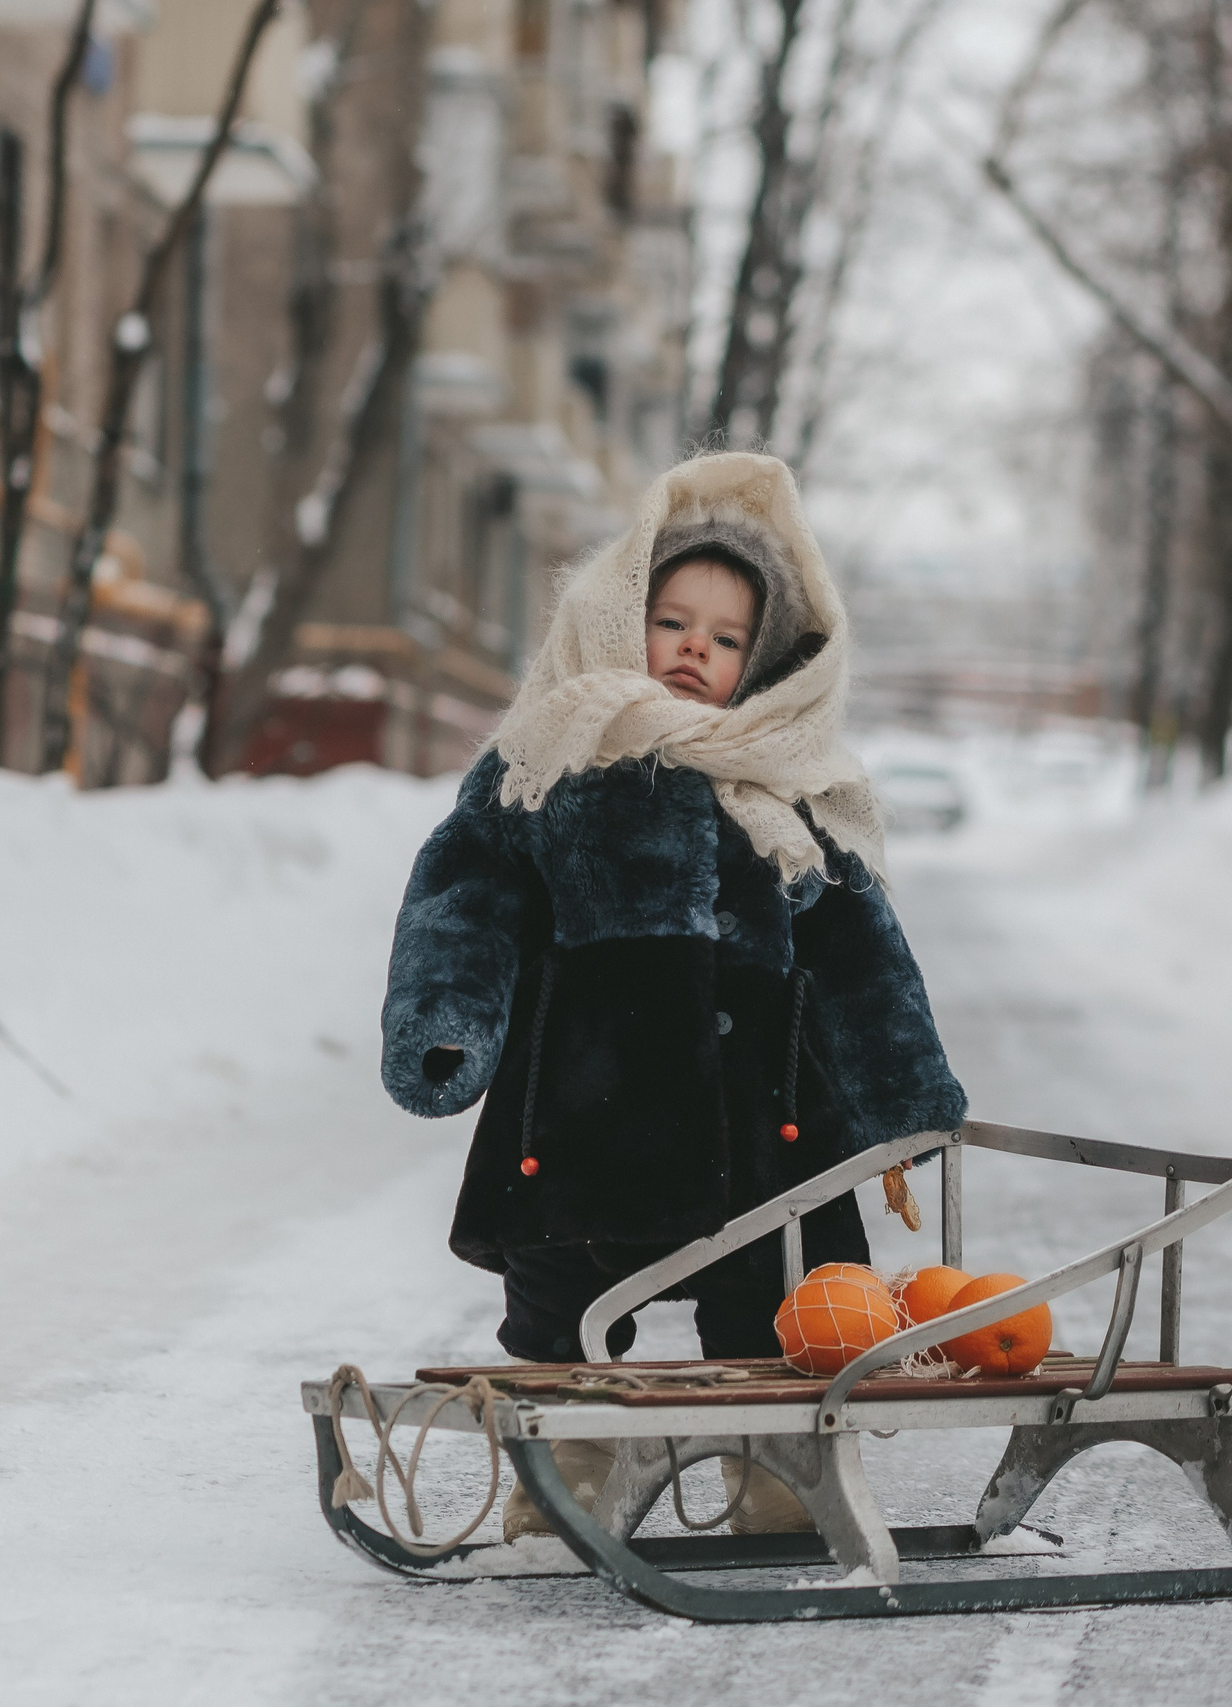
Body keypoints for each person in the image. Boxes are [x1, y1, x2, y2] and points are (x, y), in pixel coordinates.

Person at [378, 451, 966, 1538]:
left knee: (770, 1306)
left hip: (762, 1120)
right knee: (559, 1308)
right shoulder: (547, 761)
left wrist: (902, 1090)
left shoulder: (783, 786)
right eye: (672, 619)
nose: (696, 646)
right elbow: (465, 895)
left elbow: (859, 954)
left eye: (728, 636)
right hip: (582, 1099)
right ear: (615, 621)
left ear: (766, 661)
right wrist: (445, 1023)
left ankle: (776, 1480)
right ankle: (566, 1479)